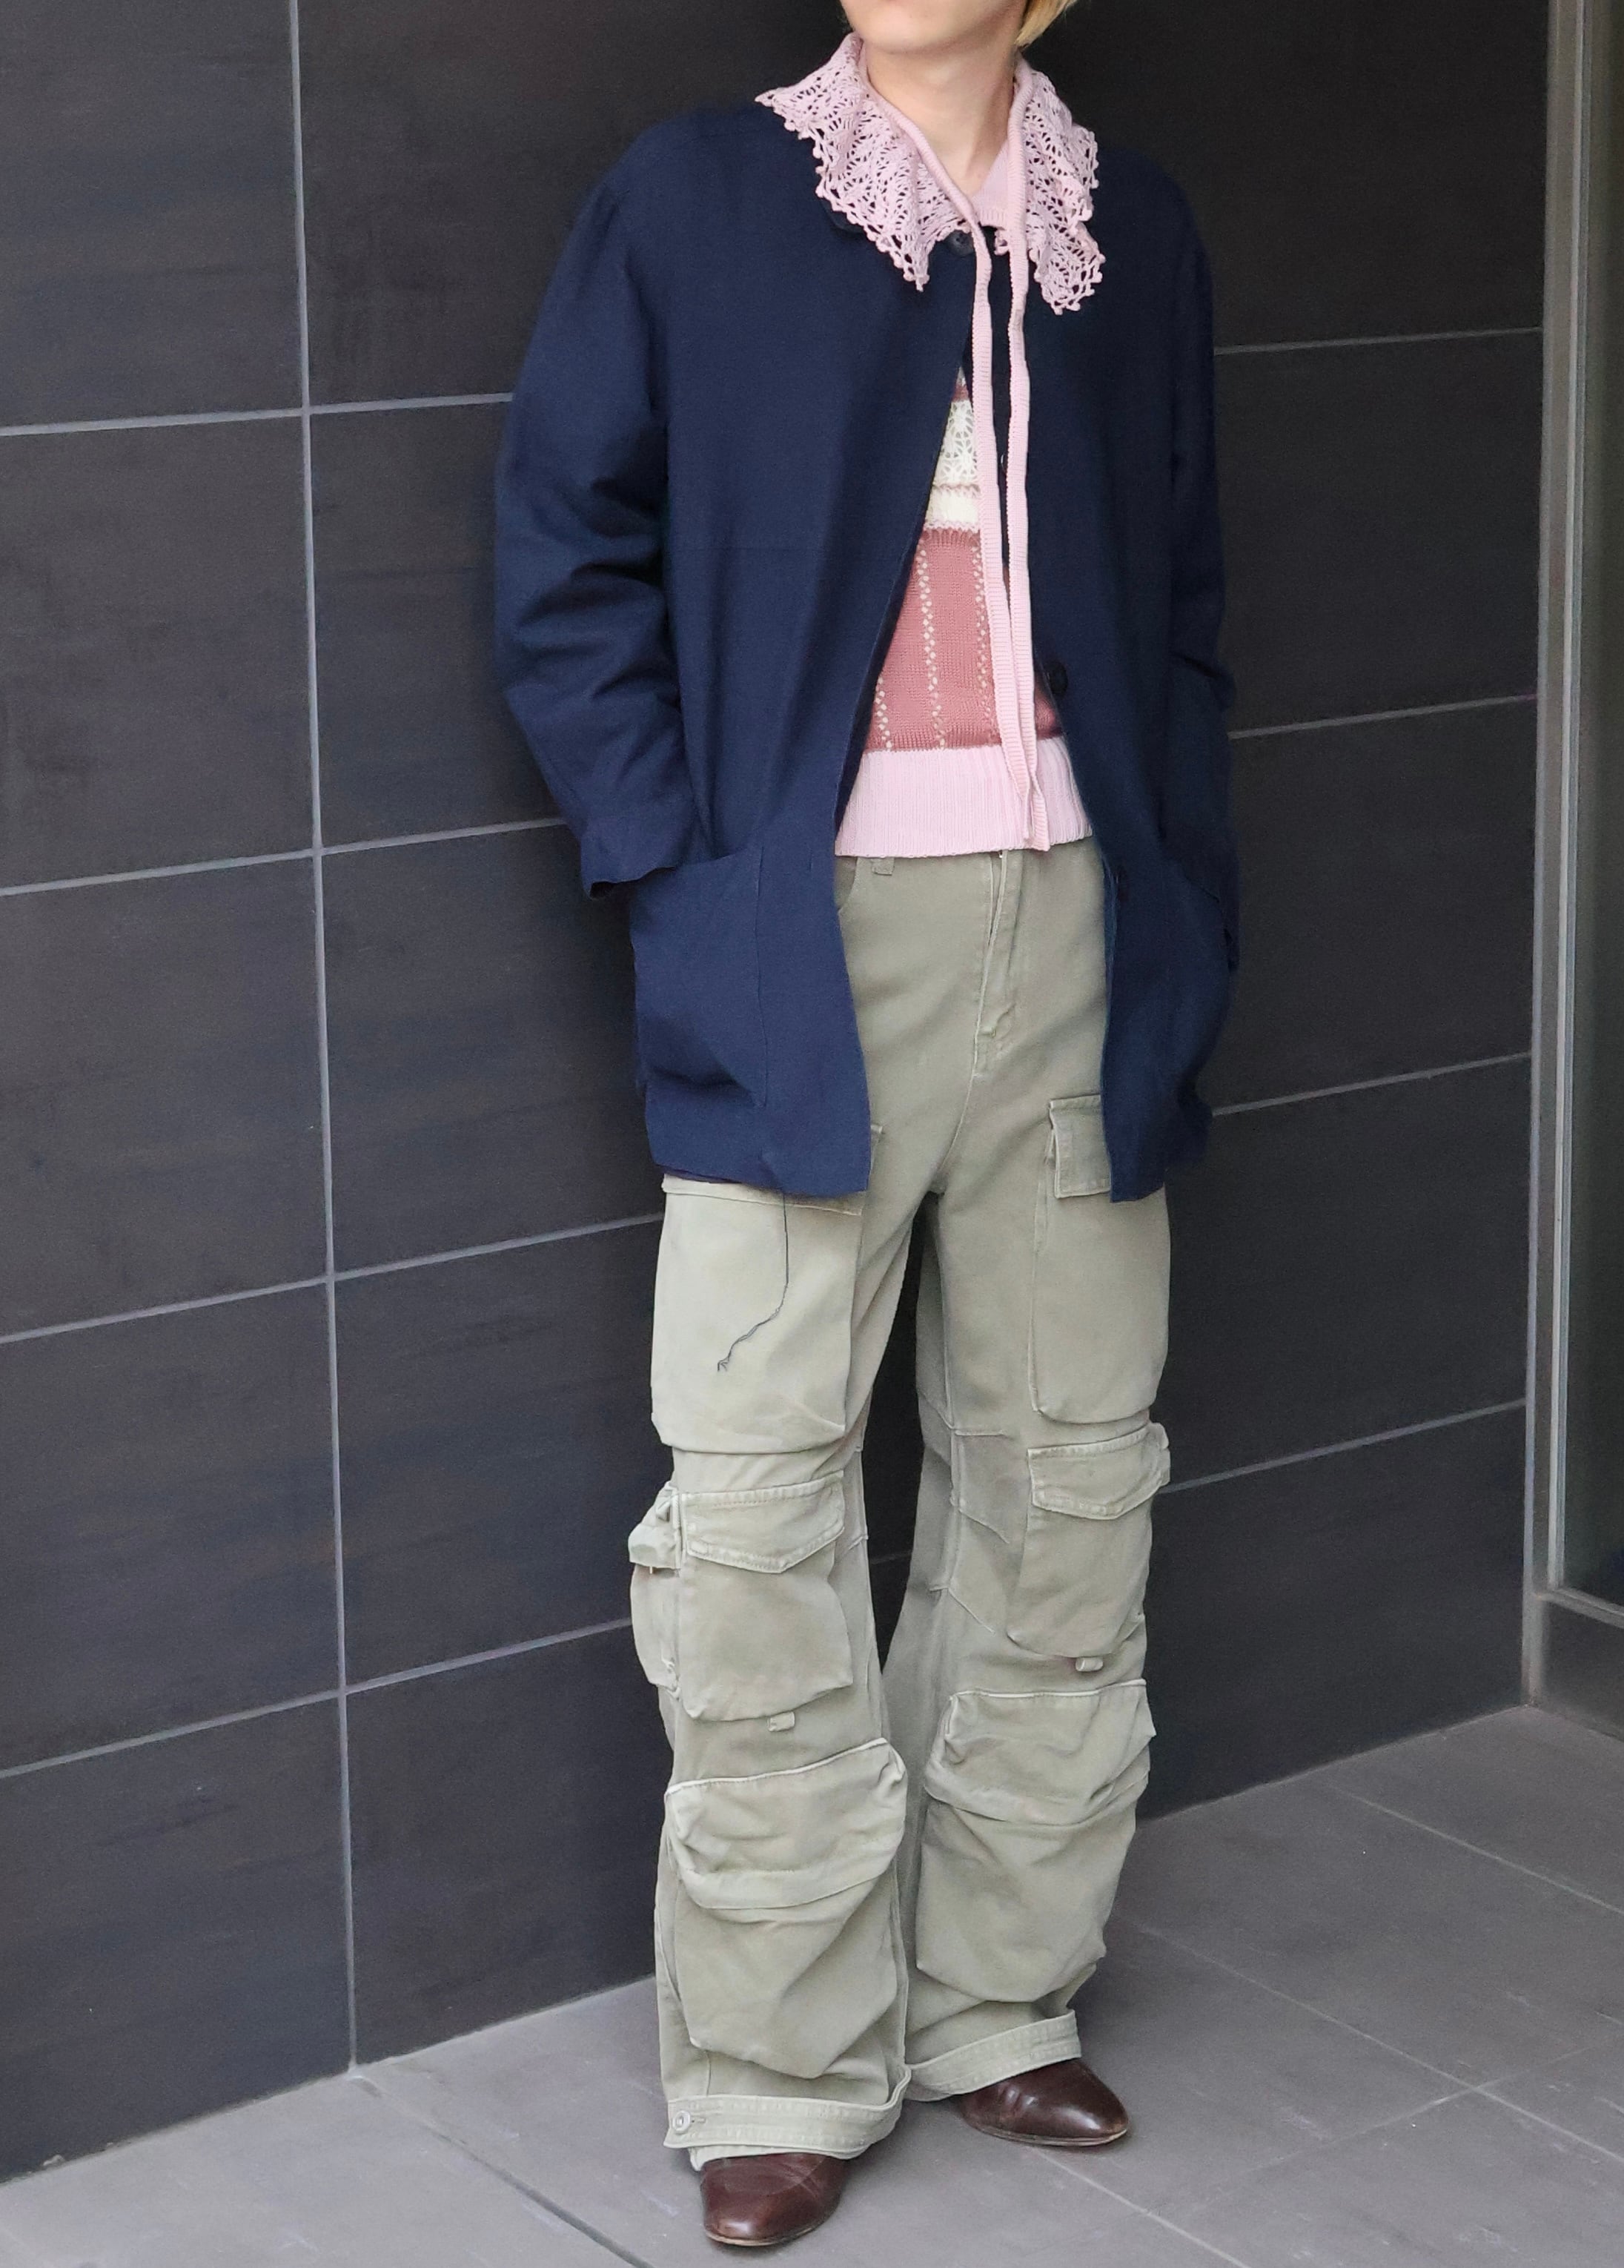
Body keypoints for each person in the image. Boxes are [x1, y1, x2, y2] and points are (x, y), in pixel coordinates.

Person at [496, 0, 1236, 2245]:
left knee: (1065, 1480)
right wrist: (689, 870)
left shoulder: (1127, 228)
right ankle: (778, 2060)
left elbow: (1184, 602)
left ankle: (996, 1999)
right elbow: (563, 558)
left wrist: (1178, 890)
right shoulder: (698, 199)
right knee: (753, 1508)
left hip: (1082, 929)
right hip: (803, 948)